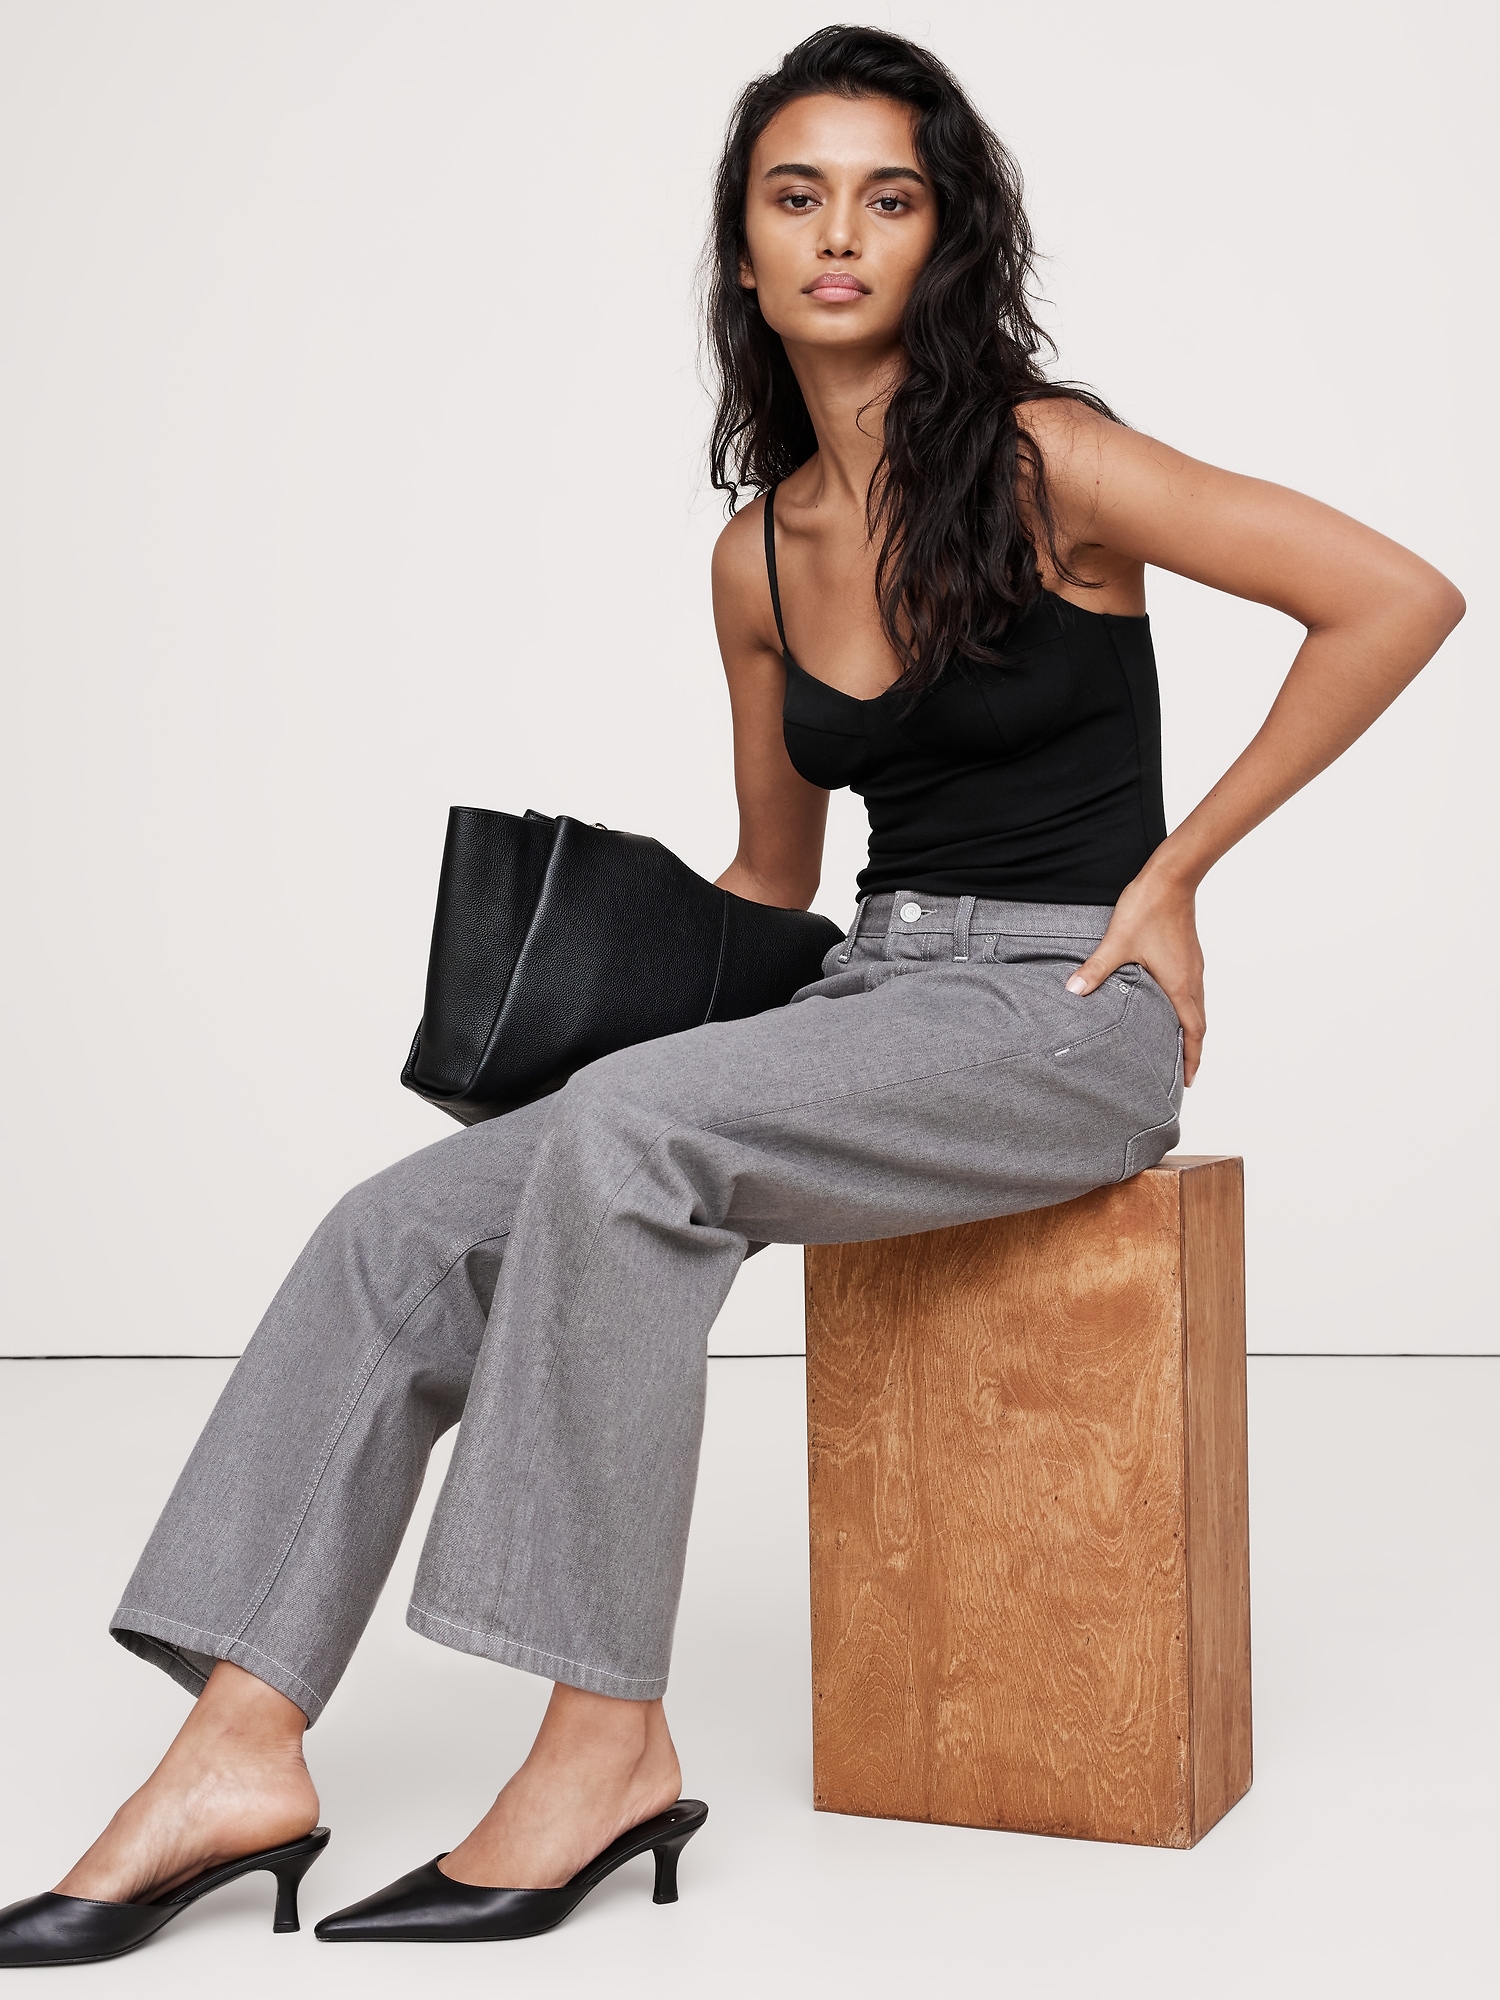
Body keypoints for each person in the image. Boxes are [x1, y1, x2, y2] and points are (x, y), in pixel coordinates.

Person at [0, 23, 1463, 1966]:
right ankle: (233, 1751)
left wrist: (1175, 875)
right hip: (869, 997)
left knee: (630, 1136)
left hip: (1063, 1008)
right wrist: (570, 971)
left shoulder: (1057, 460)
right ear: (747, 249)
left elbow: (1395, 596)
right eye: (797, 196)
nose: (839, 232)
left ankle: (601, 1742)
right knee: (398, 1226)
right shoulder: (756, 557)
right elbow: (776, 878)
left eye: (887, 195)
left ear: (942, 239)